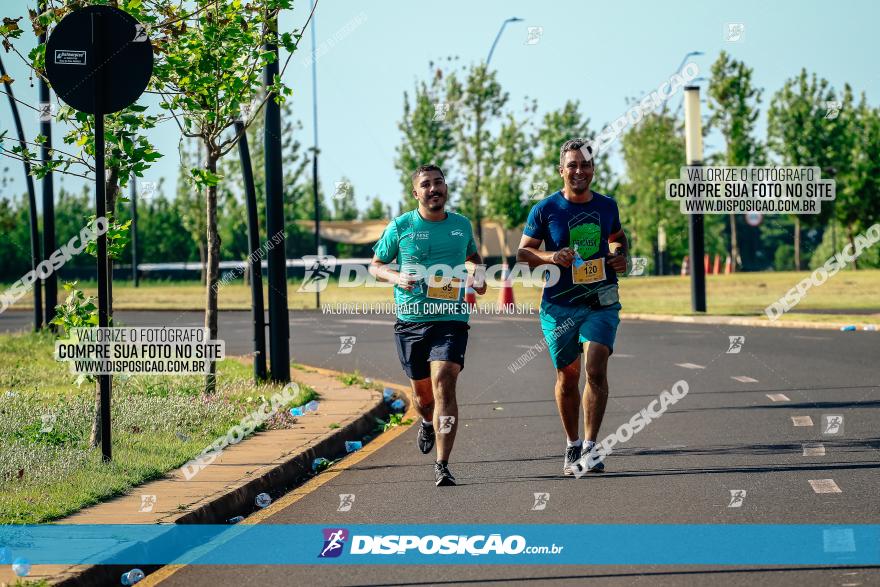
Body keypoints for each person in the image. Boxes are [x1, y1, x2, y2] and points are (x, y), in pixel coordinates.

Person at [370, 164, 487, 486]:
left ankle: (442, 464)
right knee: (423, 398)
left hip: (451, 319)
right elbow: (375, 265)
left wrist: (478, 276)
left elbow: (473, 258)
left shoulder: (461, 225)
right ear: (416, 193)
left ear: (446, 187)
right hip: (411, 321)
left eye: (439, 183)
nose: (434, 189)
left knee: (444, 380)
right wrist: (396, 276)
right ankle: (425, 421)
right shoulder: (401, 226)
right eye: (426, 185)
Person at [516, 139, 628, 475]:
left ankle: (592, 447)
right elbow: (523, 254)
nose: (579, 171)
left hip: (600, 300)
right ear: (561, 170)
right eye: (573, 165)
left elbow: (618, 237)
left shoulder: (608, 206)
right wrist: (552, 256)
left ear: (593, 169)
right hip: (559, 305)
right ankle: (572, 445)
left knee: (595, 367)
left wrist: (618, 255)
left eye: (586, 165)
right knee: (568, 376)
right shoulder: (545, 209)